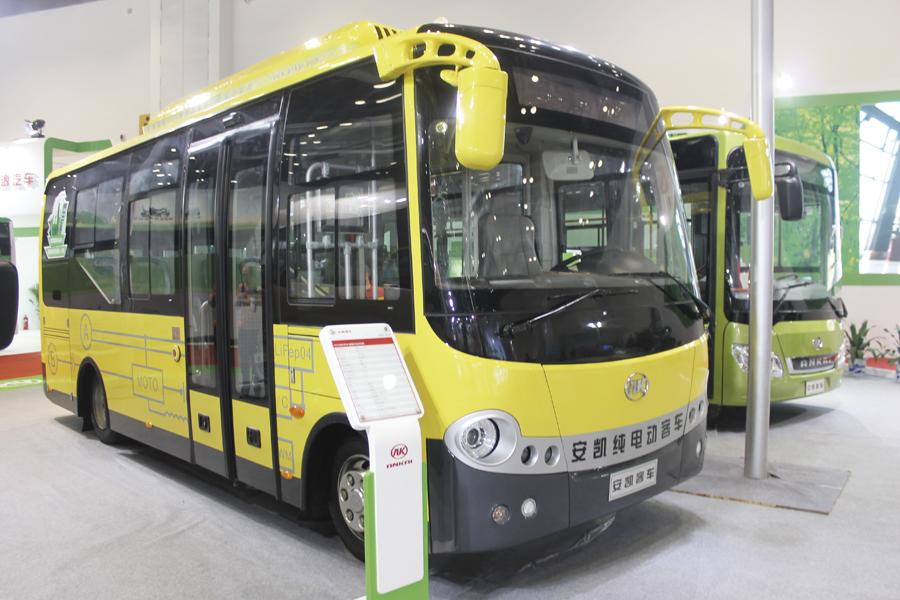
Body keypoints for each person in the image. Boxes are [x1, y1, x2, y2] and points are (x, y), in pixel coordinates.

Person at [236, 262, 263, 397]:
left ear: (253, 275)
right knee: (244, 360)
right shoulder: (241, 288)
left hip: (255, 330)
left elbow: (257, 307)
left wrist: (249, 299)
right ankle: (245, 387)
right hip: (243, 328)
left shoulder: (258, 290)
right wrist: (244, 298)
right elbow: (237, 303)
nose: (245, 277)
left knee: (256, 360)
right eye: (243, 275)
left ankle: (257, 386)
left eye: (246, 275)